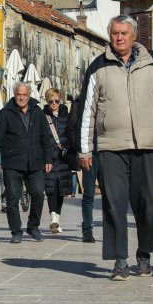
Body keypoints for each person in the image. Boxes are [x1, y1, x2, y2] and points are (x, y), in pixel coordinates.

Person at [79, 15, 153, 280]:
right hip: (111, 148)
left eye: (124, 33)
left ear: (134, 36)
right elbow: (87, 111)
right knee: (113, 205)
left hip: (148, 146)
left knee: (149, 205)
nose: (119, 38)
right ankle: (120, 260)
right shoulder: (98, 68)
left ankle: (144, 254)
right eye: (114, 34)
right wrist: (85, 149)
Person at [0, 82, 54, 243]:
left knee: (38, 193)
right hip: (12, 162)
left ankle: (33, 226)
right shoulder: (5, 113)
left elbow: (46, 137)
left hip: (35, 162)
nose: (21, 97)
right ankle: (16, 231)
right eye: (18, 94)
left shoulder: (37, 112)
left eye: (24, 95)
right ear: (14, 95)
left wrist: (48, 158)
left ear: (29, 95)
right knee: (13, 198)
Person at [66, 94, 98, 243]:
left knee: (113, 195)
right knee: (89, 194)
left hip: (108, 151)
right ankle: (87, 231)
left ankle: (113, 231)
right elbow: (71, 127)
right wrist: (80, 150)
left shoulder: (109, 96)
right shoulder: (79, 101)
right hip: (88, 152)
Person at [42, 87, 71, 234]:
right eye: (51, 101)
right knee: (51, 188)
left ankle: (57, 219)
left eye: (56, 101)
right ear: (47, 102)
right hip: (49, 158)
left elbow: (71, 134)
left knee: (61, 190)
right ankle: (53, 216)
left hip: (63, 158)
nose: (54, 103)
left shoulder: (67, 115)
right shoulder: (43, 116)